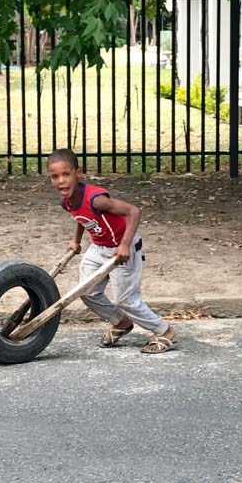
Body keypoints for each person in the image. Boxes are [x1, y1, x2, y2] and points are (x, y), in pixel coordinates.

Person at [46, 148, 176, 354]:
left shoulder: (96, 199)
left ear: (78, 173)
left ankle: (164, 331)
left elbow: (134, 211)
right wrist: (76, 241)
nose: (61, 181)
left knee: (125, 300)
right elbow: (82, 218)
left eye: (66, 174)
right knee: (86, 291)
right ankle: (121, 322)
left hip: (124, 247)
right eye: (55, 177)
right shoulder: (67, 200)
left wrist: (124, 244)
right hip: (99, 247)